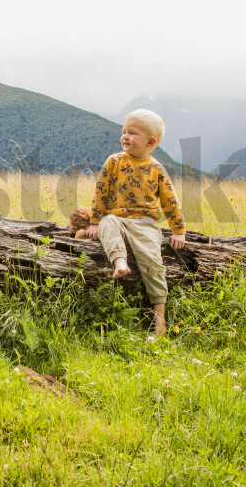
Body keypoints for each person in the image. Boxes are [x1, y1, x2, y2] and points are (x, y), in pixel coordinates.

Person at [85, 108, 186, 335]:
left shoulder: (156, 169)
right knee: (107, 223)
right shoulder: (114, 161)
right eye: (124, 131)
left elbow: (170, 201)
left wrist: (178, 231)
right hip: (117, 218)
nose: (125, 137)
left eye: (132, 133)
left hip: (145, 224)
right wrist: (94, 221)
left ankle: (159, 316)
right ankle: (120, 261)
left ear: (150, 142)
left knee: (153, 262)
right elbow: (100, 192)